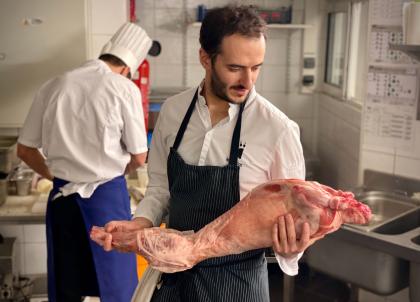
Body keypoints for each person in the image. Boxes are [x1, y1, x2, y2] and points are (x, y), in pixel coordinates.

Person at [96, 5, 321, 302]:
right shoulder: (174, 112)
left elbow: (295, 218)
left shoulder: (278, 129)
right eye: (235, 67)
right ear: (205, 58)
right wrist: (141, 223)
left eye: (256, 68)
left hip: (238, 285)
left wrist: (293, 247)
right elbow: (161, 188)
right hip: (174, 280)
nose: (248, 81)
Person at [17, 22, 152, 302]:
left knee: (67, 288)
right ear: (128, 67)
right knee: (117, 290)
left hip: (63, 201)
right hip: (108, 202)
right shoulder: (124, 88)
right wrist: (118, 171)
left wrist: (55, 178)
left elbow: (25, 151)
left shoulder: (53, 85)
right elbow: (140, 156)